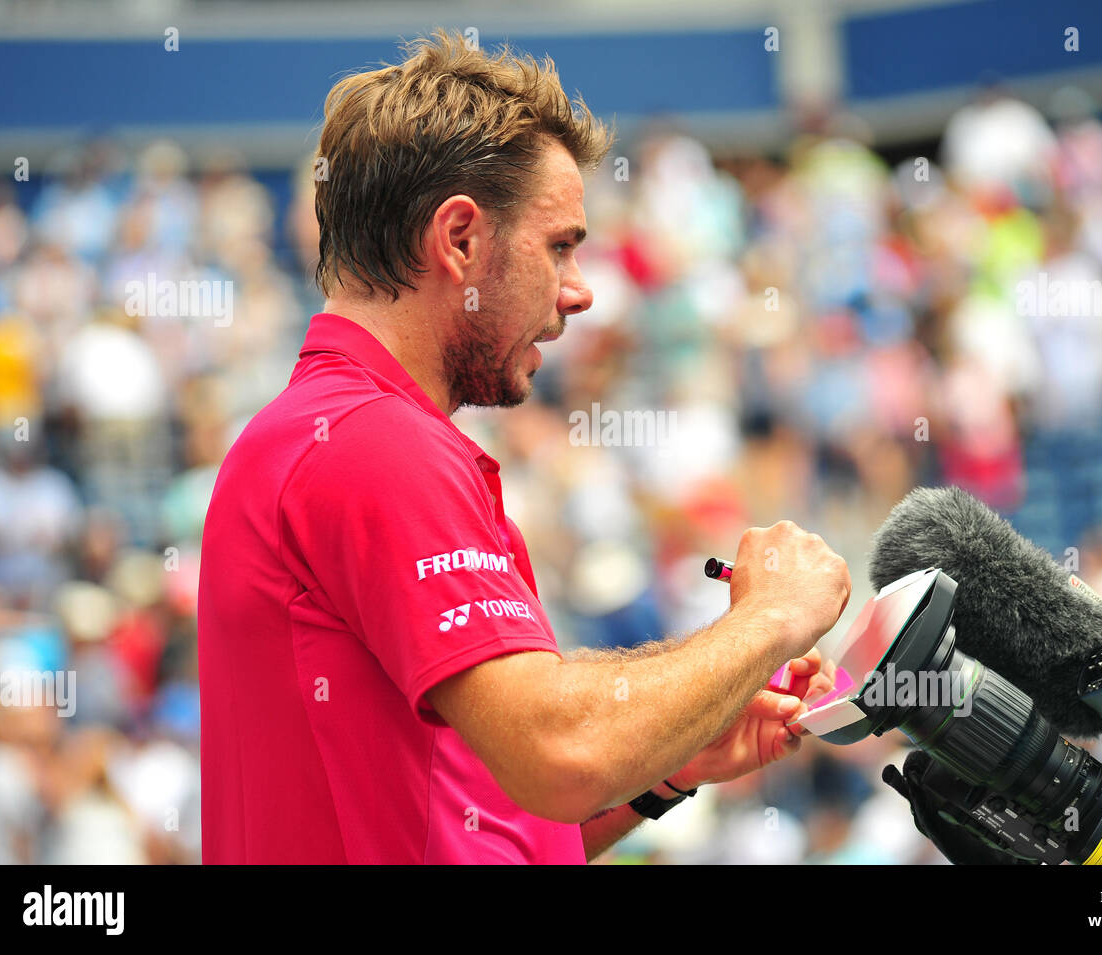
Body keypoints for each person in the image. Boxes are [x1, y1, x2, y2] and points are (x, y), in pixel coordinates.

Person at [196, 29, 851, 864]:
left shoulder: (338, 432)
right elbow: (560, 755)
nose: (580, 290)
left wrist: (673, 760)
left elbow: (487, 820)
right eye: (561, 245)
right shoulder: (373, 442)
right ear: (460, 239)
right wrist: (770, 616)